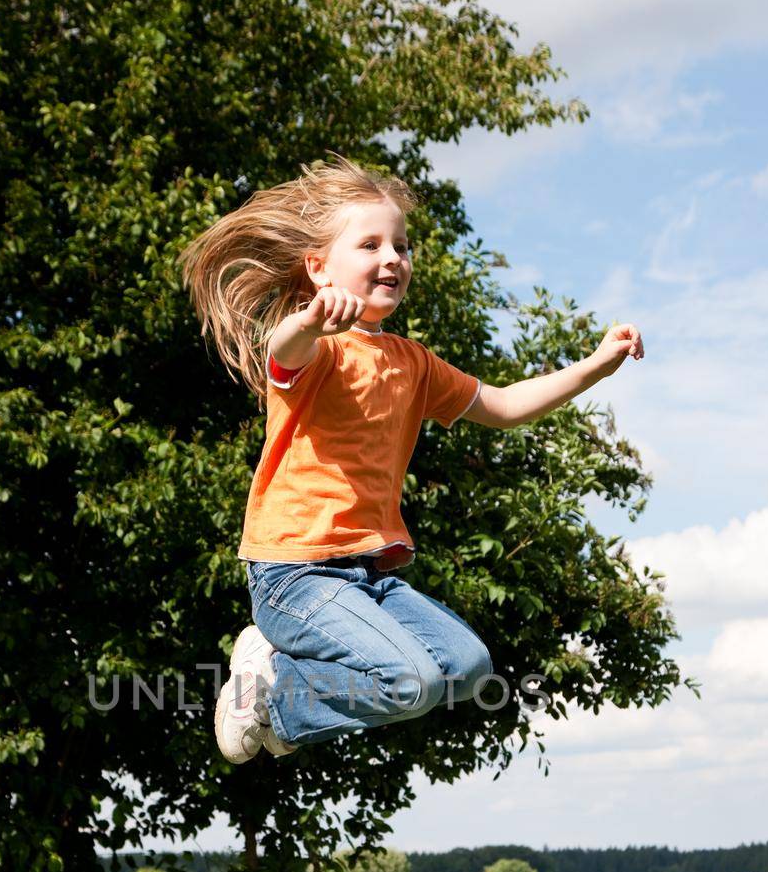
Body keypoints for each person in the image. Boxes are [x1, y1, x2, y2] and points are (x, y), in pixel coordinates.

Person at [179, 152, 643, 763]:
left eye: (400, 245)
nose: (392, 257)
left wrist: (594, 367)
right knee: (410, 681)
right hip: (295, 572)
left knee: (466, 667)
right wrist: (310, 321)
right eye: (369, 244)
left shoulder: (413, 361)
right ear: (318, 268)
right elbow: (282, 349)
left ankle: (279, 688)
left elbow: (503, 405)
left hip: (367, 576)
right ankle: (276, 694)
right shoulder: (319, 350)